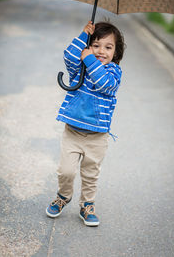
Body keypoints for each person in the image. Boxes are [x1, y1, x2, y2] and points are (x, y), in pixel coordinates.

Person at [46, 20, 126, 226]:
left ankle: (87, 205)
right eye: (96, 45)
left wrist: (90, 59)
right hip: (72, 132)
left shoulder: (113, 72)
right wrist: (83, 36)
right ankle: (63, 196)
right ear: (88, 46)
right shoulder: (80, 67)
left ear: (115, 53)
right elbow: (69, 55)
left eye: (108, 47)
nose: (101, 51)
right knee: (66, 171)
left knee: (90, 173)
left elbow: (104, 85)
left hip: (97, 137)